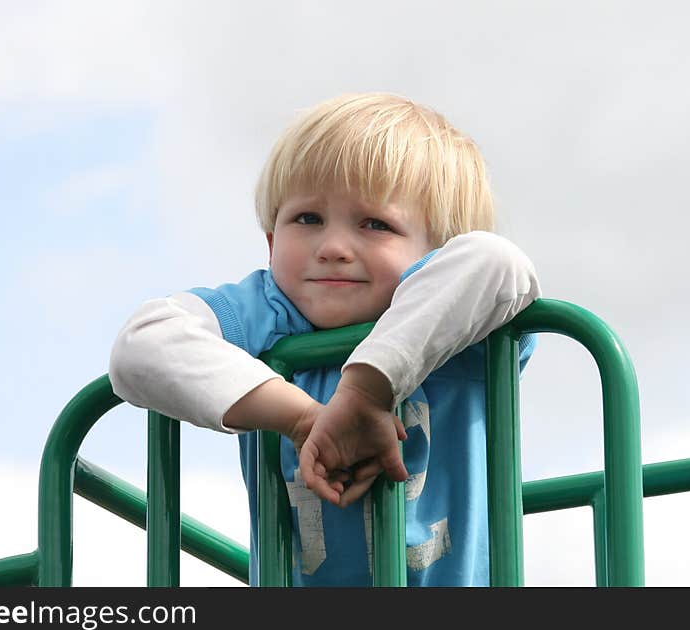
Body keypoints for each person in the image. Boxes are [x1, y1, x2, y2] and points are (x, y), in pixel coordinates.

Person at [109, 92, 541, 586]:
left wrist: (363, 393)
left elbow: (500, 264)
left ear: (437, 255)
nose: (333, 247)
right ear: (272, 240)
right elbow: (141, 343)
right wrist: (304, 419)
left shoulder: (461, 328)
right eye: (307, 219)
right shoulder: (272, 311)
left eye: (376, 224)